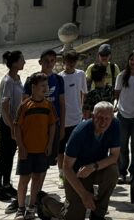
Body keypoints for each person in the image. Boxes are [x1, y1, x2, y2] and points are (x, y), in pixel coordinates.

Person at [62, 100, 121, 220]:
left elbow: (114, 156)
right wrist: (84, 194)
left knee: (113, 171)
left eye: (107, 119)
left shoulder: (115, 125)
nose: (103, 122)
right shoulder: (80, 132)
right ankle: (45, 203)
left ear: (112, 118)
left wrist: (93, 167)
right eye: (100, 118)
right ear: (93, 116)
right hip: (76, 173)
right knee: (74, 216)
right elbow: (66, 167)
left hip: (95, 168)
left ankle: (98, 214)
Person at [13, 72, 59, 219]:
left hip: (42, 149)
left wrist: (50, 144)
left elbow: (52, 125)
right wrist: (21, 147)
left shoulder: (48, 105)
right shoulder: (25, 105)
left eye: (47, 85)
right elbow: (17, 127)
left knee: (37, 178)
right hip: (27, 150)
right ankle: (21, 208)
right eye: (42, 86)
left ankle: (32, 206)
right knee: (24, 179)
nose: (45, 88)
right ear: (33, 87)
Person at [0, 50, 24, 205]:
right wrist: (11, 127)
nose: (24, 62)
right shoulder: (7, 81)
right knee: (3, 155)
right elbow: (5, 108)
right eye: (21, 60)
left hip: (15, 123)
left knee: (10, 155)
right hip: (7, 124)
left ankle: (7, 184)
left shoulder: (17, 78)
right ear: (14, 63)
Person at [26, 49, 65, 168]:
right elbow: (25, 103)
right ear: (40, 62)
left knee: (48, 160)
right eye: (46, 61)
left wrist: (62, 127)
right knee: (34, 158)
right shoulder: (32, 79)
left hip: (53, 124)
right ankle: (34, 186)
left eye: (52, 61)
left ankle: (39, 186)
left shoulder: (59, 80)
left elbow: (62, 104)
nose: (49, 64)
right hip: (36, 124)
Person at [115, 49, 134, 180]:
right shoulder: (121, 76)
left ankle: (133, 171)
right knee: (122, 144)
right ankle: (122, 171)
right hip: (123, 115)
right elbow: (117, 93)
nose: (133, 62)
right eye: (131, 59)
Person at [58, 51, 87, 181]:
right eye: (68, 61)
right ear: (63, 62)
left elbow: (84, 93)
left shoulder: (80, 74)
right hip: (63, 119)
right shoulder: (59, 77)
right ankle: (61, 174)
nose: (70, 64)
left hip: (76, 117)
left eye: (73, 61)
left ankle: (74, 172)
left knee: (75, 148)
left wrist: (82, 110)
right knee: (60, 150)